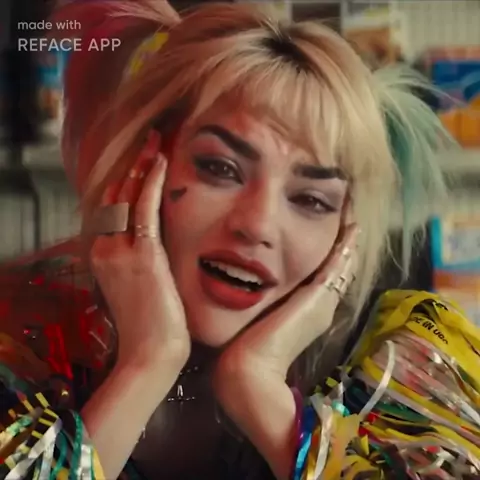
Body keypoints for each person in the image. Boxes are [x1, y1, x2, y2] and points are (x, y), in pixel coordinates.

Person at [0, 1, 479, 479]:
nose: (258, 225)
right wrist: (147, 363)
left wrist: (262, 392)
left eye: (311, 199)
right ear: (139, 167)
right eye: (220, 168)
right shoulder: (18, 343)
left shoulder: (406, 363)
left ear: (345, 231)